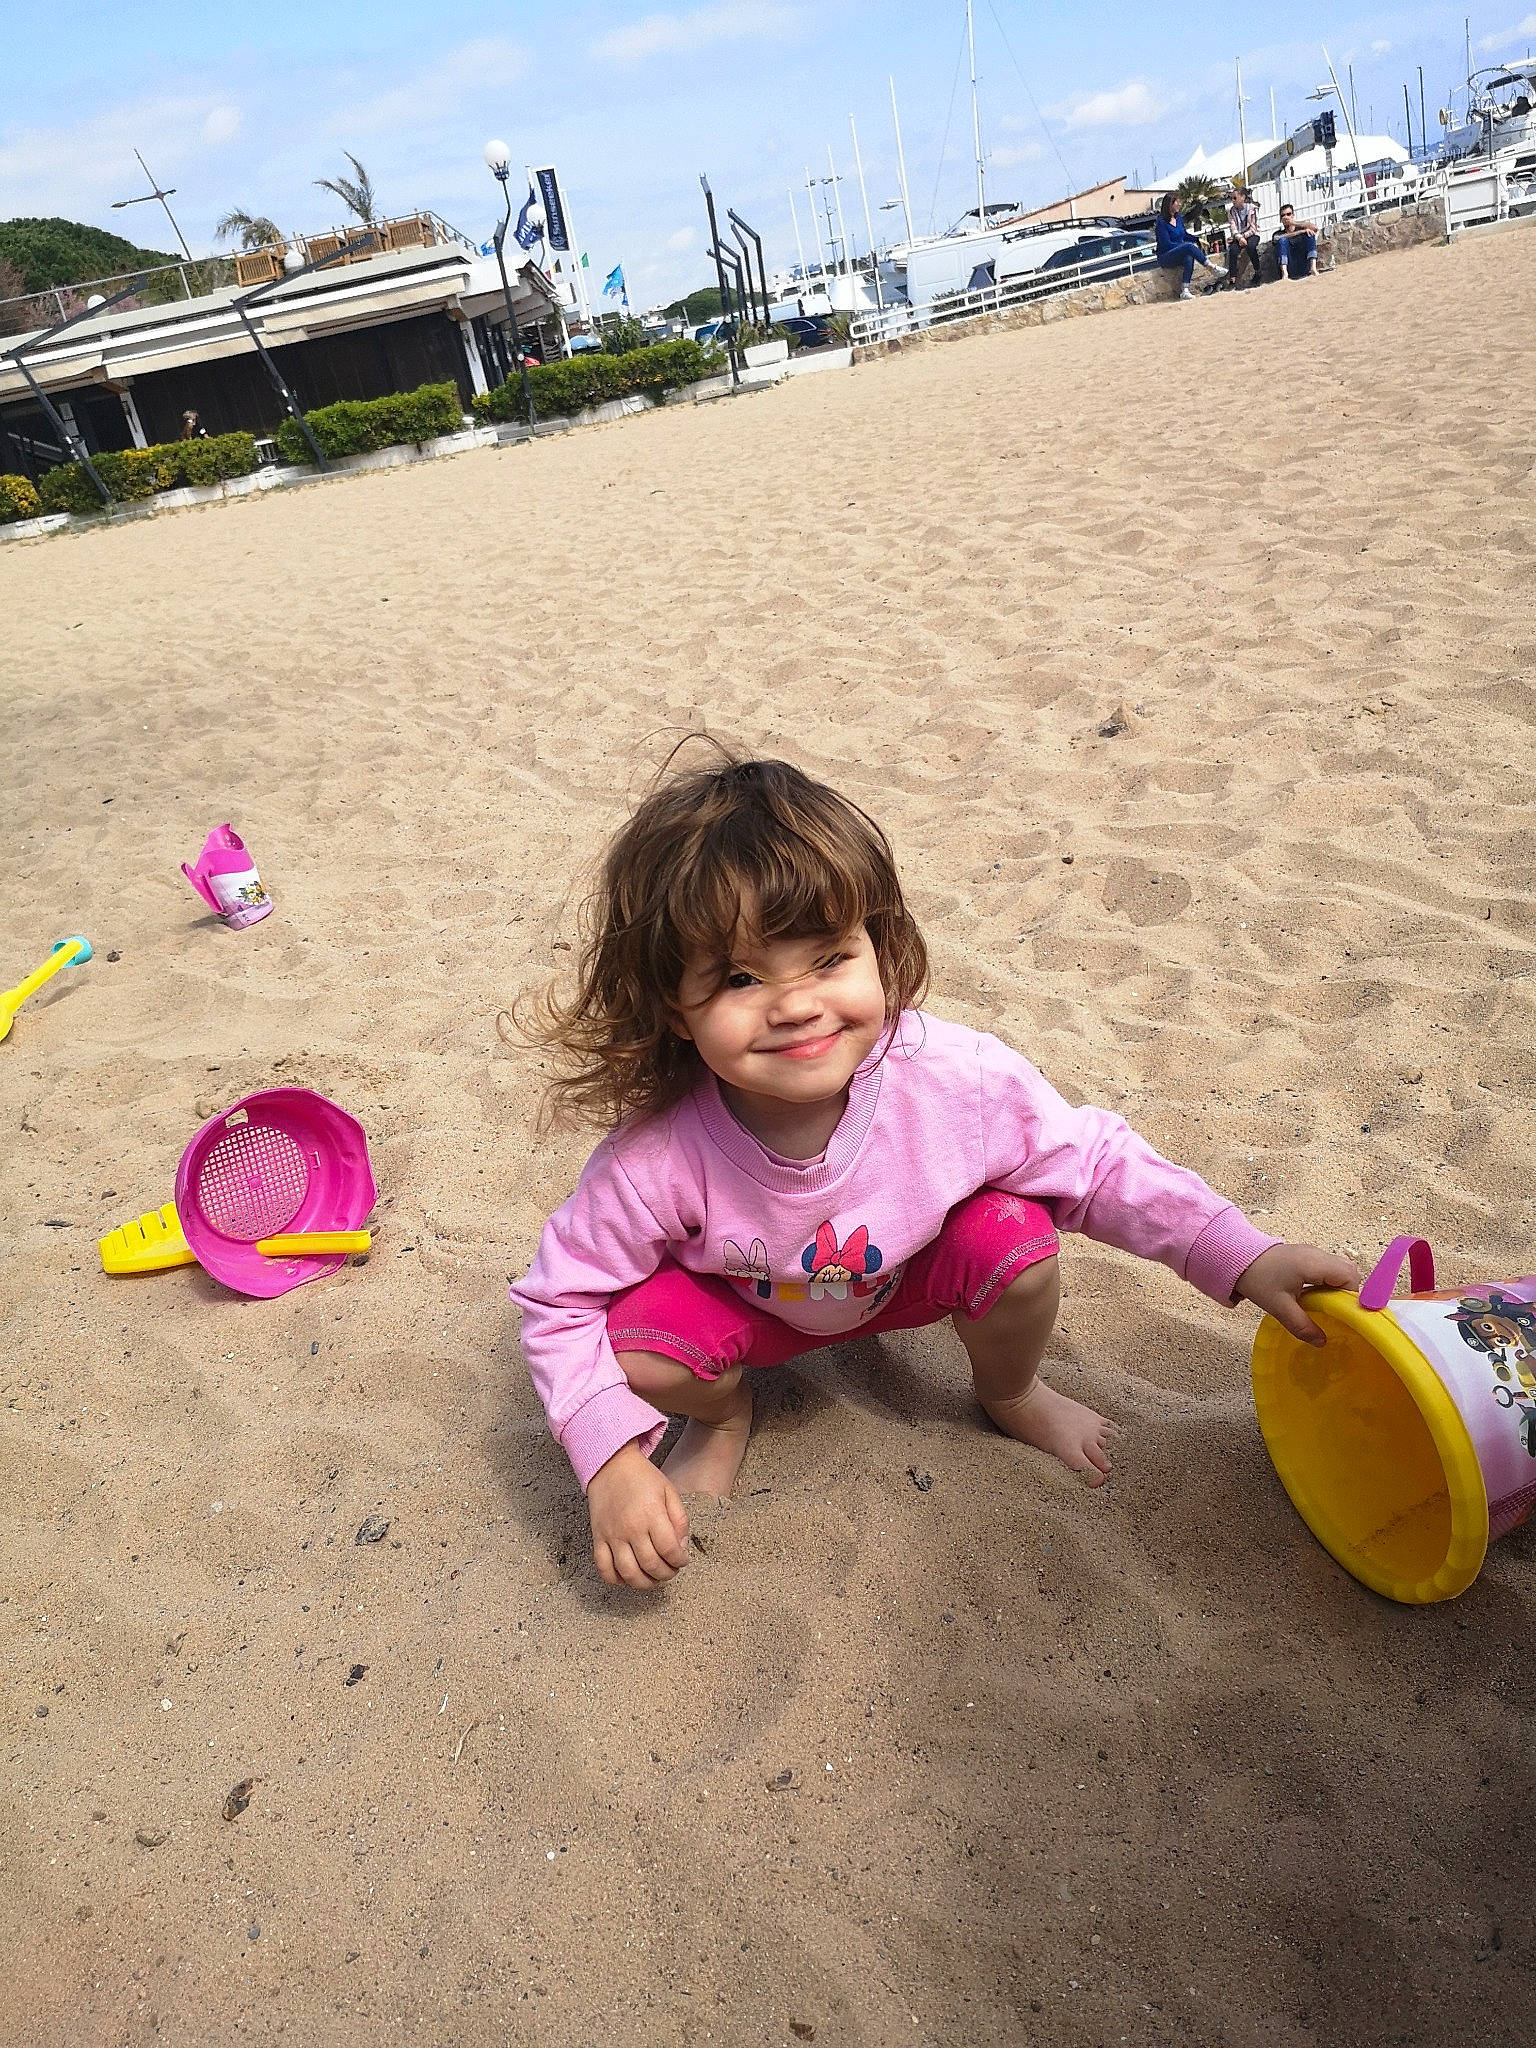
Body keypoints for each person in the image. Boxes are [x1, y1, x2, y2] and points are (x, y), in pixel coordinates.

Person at [511, 753, 1356, 1590]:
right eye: (739, 976)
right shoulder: (657, 1152)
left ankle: (1011, 1391)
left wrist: (1241, 1254)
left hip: (906, 1278)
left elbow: (1092, 1162)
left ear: (879, 946)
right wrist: (612, 1460)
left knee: (1016, 1244)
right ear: (675, 1011)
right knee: (639, 1349)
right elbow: (559, 1300)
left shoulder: (954, 1078)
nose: (797, 1003)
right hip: (748, 1309)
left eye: (829, 958)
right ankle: (726, 1417)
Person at [1154, 193, 1219, 300]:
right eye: (1177, 202)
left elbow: (1184, 235)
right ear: (1170, 204)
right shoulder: (1161, 222)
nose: (1180, 204)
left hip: (1179, 252)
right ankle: (1211, 267)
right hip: (1166, 256)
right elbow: (1166, 244)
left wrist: (1198, 239)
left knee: (1188, 256)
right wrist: (1184, 246)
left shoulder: (1178, 218)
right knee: (1188, 248)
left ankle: (1185, 290)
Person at [1225, 184, 1263, 287]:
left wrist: (1244, 236)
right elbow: (1233, 227)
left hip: (1252, 234)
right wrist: (1239, 237)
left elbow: (1253, 227)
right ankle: (1233, 277)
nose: (1233, 200)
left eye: (1235, 198)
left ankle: (1258, 271)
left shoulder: (1252, 209)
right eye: (1231, 198)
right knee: (1232, 250)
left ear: (1243, 197)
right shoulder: (1231, 211)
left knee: (1251, 247)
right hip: (1239, 236)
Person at [1274, 204, 1318, 280]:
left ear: (1293, 215)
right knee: (1282, 240)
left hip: (1304, 262)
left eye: (1288, 214)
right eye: (1283, 215)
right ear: (1281, 219)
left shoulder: (1301, 228)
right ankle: (1285, 274)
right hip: (1290, 265)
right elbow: (1277, 239)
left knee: (1309, 234)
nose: (1286, 217)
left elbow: (1315, 228)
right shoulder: (1278, 234)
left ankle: (1313, 268)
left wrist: (1293, 223)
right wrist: (1302, 231)